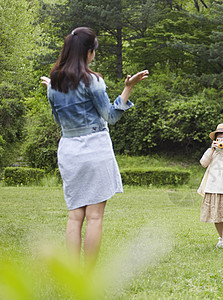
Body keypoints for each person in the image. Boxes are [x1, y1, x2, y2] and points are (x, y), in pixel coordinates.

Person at [40, 27, 148, 268]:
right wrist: (128, 87)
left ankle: (73, 274)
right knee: (95, 216)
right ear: (88, 52)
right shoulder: (93, 80)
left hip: (68, 150)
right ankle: (88, 276)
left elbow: (58, 121)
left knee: (74, 215)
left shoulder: (53, 83)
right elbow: (110, 116)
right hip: (94, 148)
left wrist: (52, 89)